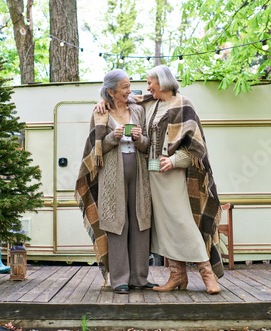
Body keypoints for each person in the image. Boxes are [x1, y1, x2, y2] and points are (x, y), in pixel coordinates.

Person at [95, 65, 224, 294]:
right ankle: (177, 275)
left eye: (150, 82)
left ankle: (207, 272)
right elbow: (118, 96)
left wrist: (173, 161)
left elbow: (196, 148)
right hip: (152, 174)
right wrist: (100, 102)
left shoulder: (183, 104)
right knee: (164, 226)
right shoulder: (150, 103)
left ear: (162, 82)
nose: (146, 87)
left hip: (171, 173)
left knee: (181, 221)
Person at [75, 69, 157, 294]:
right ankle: (119, 279)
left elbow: (149, 145)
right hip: (111, 174)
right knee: (116, 223)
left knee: (141, 221)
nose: (129, 91)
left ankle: (140, 278)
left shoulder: (138, 110)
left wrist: (140, 138)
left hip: (139, 173)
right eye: (124, 87)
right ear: (110, 91)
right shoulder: (99, 113)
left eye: (129, 86)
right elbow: (95, 148)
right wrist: (113, 137)